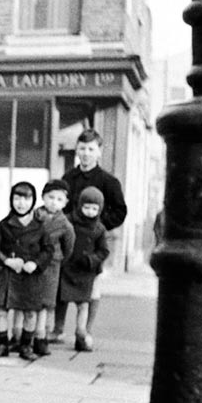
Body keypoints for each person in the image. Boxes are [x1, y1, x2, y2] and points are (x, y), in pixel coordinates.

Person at [53, 128, 126, 342]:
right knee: (61, 286)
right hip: (69, 243)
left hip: (94, 247)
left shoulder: (109, 182)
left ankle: (85, 331)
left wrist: (98, 227)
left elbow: (120, 211)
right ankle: (57, 330)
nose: (86, 153)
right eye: (82, 148)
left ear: (99, 152)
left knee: (92, 289)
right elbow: (60, 204)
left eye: (91, 149)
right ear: (77, 150)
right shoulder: (68, 177)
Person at [0, 181, 53, 361]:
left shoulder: (40, 227)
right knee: (1, 310)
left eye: (26, 198)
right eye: (17, 198)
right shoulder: (4, 225)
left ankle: (26, 346)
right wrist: (6, 260)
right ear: (11, 200)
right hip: (7, 274)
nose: (21, 203)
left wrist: (35, 264)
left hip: (29, 276)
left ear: (32, 201)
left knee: (30, 312)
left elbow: (48, 250)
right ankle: (2, 345)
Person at [58, 186, 110, 352]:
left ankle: (81, 333)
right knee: (60, 299)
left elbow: (103, 250)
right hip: (68, 267)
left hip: (87, 271)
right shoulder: (68, 222)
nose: (89, 212)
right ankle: (55, 328)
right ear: (79, 205)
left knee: (84, 304)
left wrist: (91, 260)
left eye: (94, 209)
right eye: (86, 207)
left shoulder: (99, 228)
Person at [33, 179, 75, 355]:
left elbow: (69, 246)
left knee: (45, 303)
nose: (54, 202)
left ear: (65, 203)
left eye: (59, 199)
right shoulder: (33, 217)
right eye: (50, 197)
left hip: (51, 265)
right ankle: (24, 334)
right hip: (33, 263)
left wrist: (58, 258)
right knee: (29, 300)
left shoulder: (65, 225)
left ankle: (41, 335)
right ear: (43, 197)